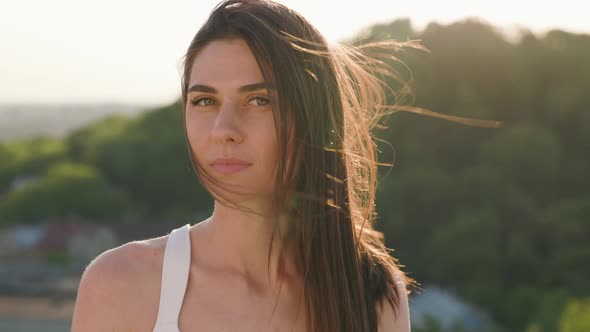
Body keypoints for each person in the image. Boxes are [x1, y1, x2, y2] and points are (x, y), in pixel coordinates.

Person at [71, 0, 417, 331]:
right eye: (205, 100)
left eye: (258, 100)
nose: (224, 130)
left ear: (314, 117)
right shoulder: (120, 285)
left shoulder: (370, 292)